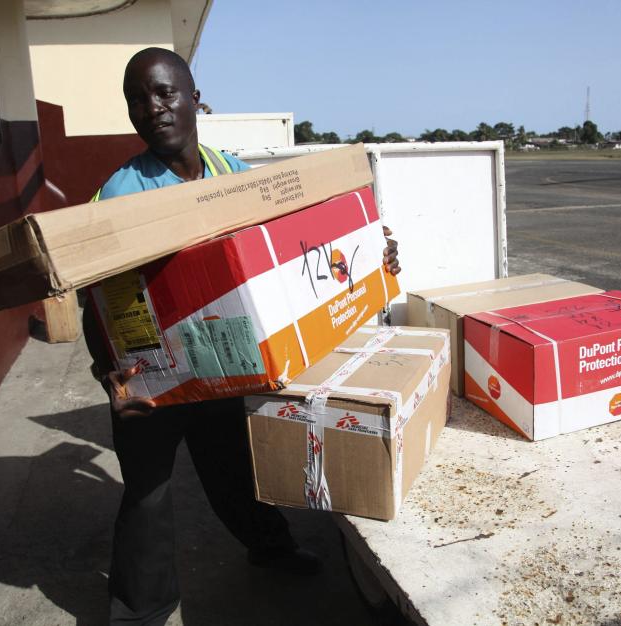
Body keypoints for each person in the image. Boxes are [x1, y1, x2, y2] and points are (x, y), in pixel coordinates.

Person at [82, 47, 401, 626]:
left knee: (232, 466)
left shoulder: (233, 175)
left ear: (195, 98)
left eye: (165, 92)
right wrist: (109, 374)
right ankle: (140, 611)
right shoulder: (118, 196)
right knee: (148, 494)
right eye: (137, 99)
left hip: (220, 361)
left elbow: (301, 236)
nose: (153, 108)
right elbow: (94, 300)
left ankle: (270, 548)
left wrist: (373, 249)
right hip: (150, 373)